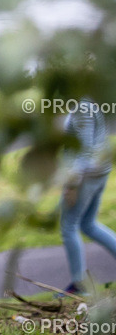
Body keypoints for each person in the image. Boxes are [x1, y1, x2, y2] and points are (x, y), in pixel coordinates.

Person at [59, 98, 116, 295]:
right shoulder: (88, 101)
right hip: (97, 172)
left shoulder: (83, 106)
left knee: (68, 227)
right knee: (88, 224)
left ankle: (80, 285)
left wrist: (72, 185)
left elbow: (84, 149)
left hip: (86, 175)